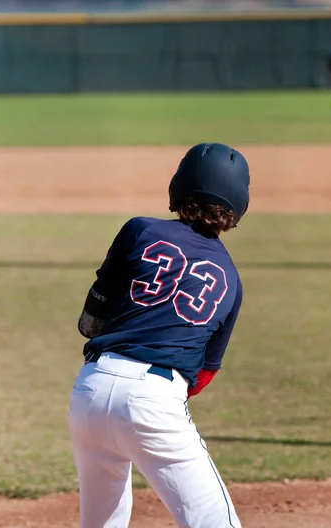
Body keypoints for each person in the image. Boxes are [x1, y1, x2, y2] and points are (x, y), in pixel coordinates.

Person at [68, 143, 250, 528]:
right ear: (237, 205)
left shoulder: (139, 229)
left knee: (101, 523)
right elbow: (203, 375)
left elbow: (91, 323)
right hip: (156, 398)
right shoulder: (231, 281)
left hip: (90, 389)